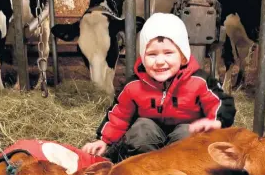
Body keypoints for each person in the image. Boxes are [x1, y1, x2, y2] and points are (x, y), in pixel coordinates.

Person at [82, 13, 236, 162]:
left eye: (168, 53)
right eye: (152, 54)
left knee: (187, 134)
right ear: (142, 58)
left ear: (183, 56)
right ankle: (145, 173)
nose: (160, 61)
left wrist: (216, 121)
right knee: (141, 128)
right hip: (149, 141)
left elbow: (221, 102)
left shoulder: (200, 81)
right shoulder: (133, 85)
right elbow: (119, 114)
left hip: (184, 140)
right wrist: (104, 141)